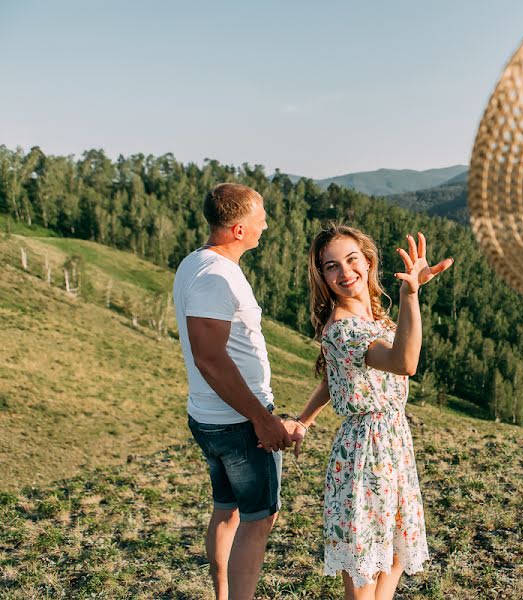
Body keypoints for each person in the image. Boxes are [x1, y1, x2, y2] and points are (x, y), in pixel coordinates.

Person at [292, 224, 452, 599]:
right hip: (365, 453)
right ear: (323, 276)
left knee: (394, 558)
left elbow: (336, 378)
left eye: (351, 260)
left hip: (393, 444)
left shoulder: (373, 319)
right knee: (365, 579)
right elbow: (405, 361)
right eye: (331, 266)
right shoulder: (345, 329)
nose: (345, 273)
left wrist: (304, 419)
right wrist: (410, 294)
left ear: (368, 261)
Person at [173, 182, 303, 600]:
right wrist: (262, 419)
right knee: (258, 519)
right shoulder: (216, 276)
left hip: (212, 418)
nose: (266, 224)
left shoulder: (196, 263)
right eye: (259, 217)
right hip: (238, 421)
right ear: (239, 230)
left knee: (226, 509)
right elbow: (209, 357)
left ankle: (223, 595)